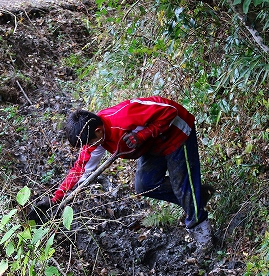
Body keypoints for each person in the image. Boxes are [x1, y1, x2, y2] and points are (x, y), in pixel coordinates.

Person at [43, 96, 214, 253]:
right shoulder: (95, 138)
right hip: (151, 145)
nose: (88, 147)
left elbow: (170, 111)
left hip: (176, 133)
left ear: (98, 131)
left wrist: (142, 135)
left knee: (182, 185)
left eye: (88, 143)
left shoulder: (123, 116)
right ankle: (196, 196)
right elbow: (80, 170)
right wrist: (56, 200)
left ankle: (203, 237)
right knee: (145, 185)